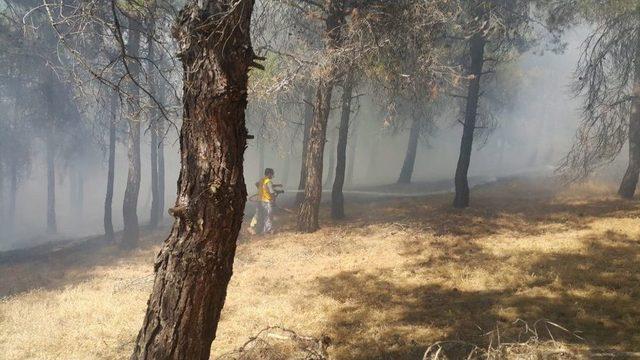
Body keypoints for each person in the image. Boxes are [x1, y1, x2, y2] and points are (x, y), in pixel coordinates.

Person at [254, 168, 281, 235]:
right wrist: (274, 199)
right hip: (267, 201)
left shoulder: (262, 180)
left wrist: (276, 185)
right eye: (272, 174)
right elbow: (272, 192)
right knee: (268, 216)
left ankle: (260, 230)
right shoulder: (268, 181)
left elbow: (258, 184)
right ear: (269, 174)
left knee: (261, 216)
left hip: (260, 200)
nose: (272, 175)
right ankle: (268, 230)